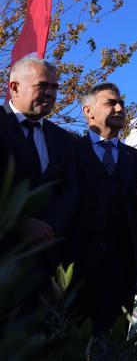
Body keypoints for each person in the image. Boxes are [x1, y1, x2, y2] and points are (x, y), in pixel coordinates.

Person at [68, 83, 137, 332]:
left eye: (121, 104)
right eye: (110, 103)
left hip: (123, 272)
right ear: (88, 110)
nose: (119, 108)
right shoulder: (67, 151)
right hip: (73, 270)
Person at [0, 56, 78, 308]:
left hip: (46, 269)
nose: (51, 93)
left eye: (55, 87)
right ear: (14, 87)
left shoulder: (63, 140)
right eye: (43, 85)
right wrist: (20, 223)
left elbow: (71, 192)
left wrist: (47, 229)